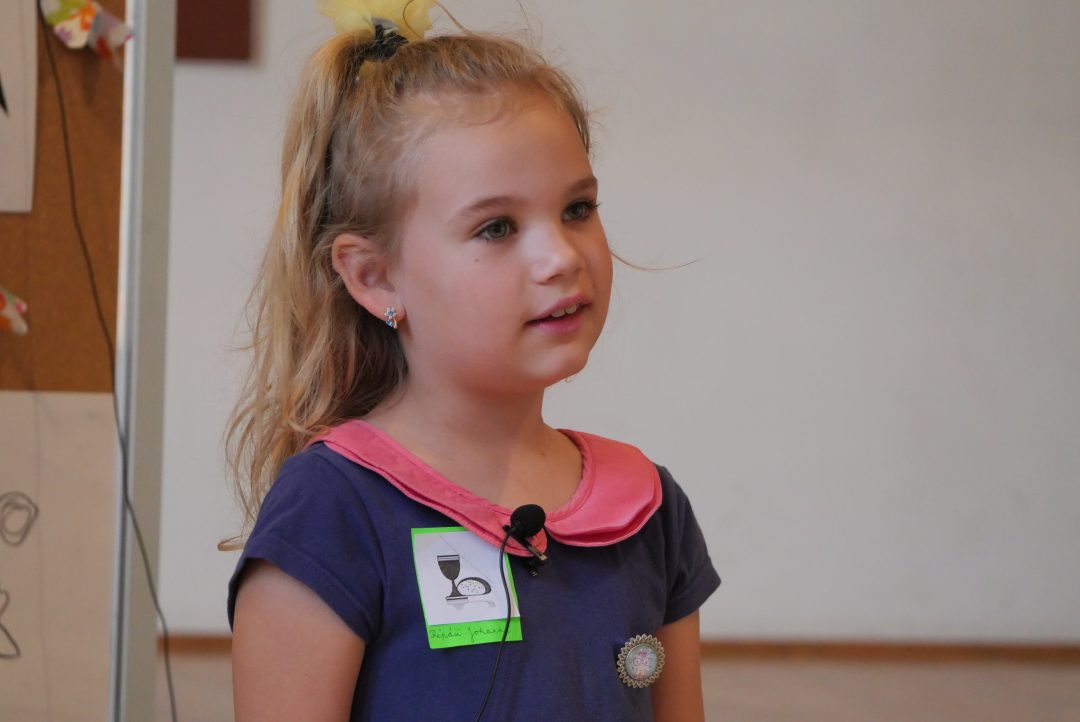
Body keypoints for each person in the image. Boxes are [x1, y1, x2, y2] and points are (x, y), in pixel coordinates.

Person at [225, 2, 720, 720]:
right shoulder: (333, 510)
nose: (560, 257)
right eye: (496, 227)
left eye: (577, 209)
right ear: (374, 278)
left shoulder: (647, 508)